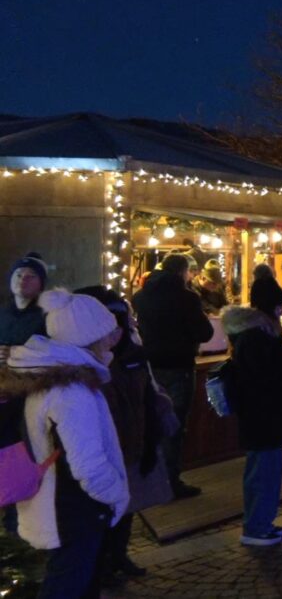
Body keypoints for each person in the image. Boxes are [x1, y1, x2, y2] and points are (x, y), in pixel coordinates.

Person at [0, 290, 129, 598]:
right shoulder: (72, 392)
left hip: (61, 506)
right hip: (74, 511)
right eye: (107, 332)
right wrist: (116, 496)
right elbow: (89, 467)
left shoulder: (57, 379)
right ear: (90, 337)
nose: (115, 338)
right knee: (69, 585)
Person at [75, 286, 175, 587]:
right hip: (109, 443)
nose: (119, 331)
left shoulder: (133, 354)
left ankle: (119, 555)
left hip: (136, 437)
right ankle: (103, 565)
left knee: (129, 503)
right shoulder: (88, 361)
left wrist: (157, 418)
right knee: (107, 508)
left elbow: (146, 391)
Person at [223, 274, 282, 547]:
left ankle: (262, 522)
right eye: (278, 307)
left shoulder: (256, 332)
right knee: (264, 471)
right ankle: (256, 527)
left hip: (263, 413)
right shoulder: (255, 335)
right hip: (263, 413)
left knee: (265, 470)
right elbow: (267, 370)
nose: (281, 311)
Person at [131, 252, 214, 499]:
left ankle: (149, 478)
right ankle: (170, 481)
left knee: (152, 422)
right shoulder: (186, 298)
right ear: (182, 272)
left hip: (150, 367)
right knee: (174, 425)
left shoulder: (141, 297)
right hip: (179, 366)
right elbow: (205, 332)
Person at [0, 252, 48, 534]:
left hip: (30, 395)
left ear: (40, 284)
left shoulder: (45, 317)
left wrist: (20, 354)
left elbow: (49, 353)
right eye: (19, 274)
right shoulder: (3, 312)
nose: (23, 280)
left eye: (30, 276)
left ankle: (25, 521)